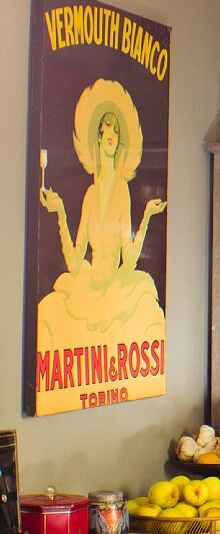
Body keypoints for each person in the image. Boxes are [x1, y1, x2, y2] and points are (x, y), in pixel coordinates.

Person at [38, 78, 166, 348]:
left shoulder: (121, 189)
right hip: (88, 289)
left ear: (120, 140)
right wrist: (60, 211)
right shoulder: (90, 194)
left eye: (116, 130)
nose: (111, 134)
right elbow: (74, 263)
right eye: (106, 128)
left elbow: (129, 259)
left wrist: (146, 217)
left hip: (116, 289)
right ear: (97, 135)